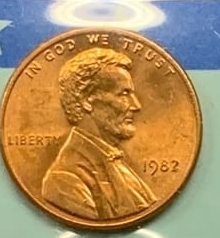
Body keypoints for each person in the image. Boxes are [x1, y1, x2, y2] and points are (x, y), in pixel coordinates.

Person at [40, 47, 159, 221]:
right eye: (124, 94)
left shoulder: (115, 162)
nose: (136, 105)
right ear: (86, 100)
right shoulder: (65, 179)